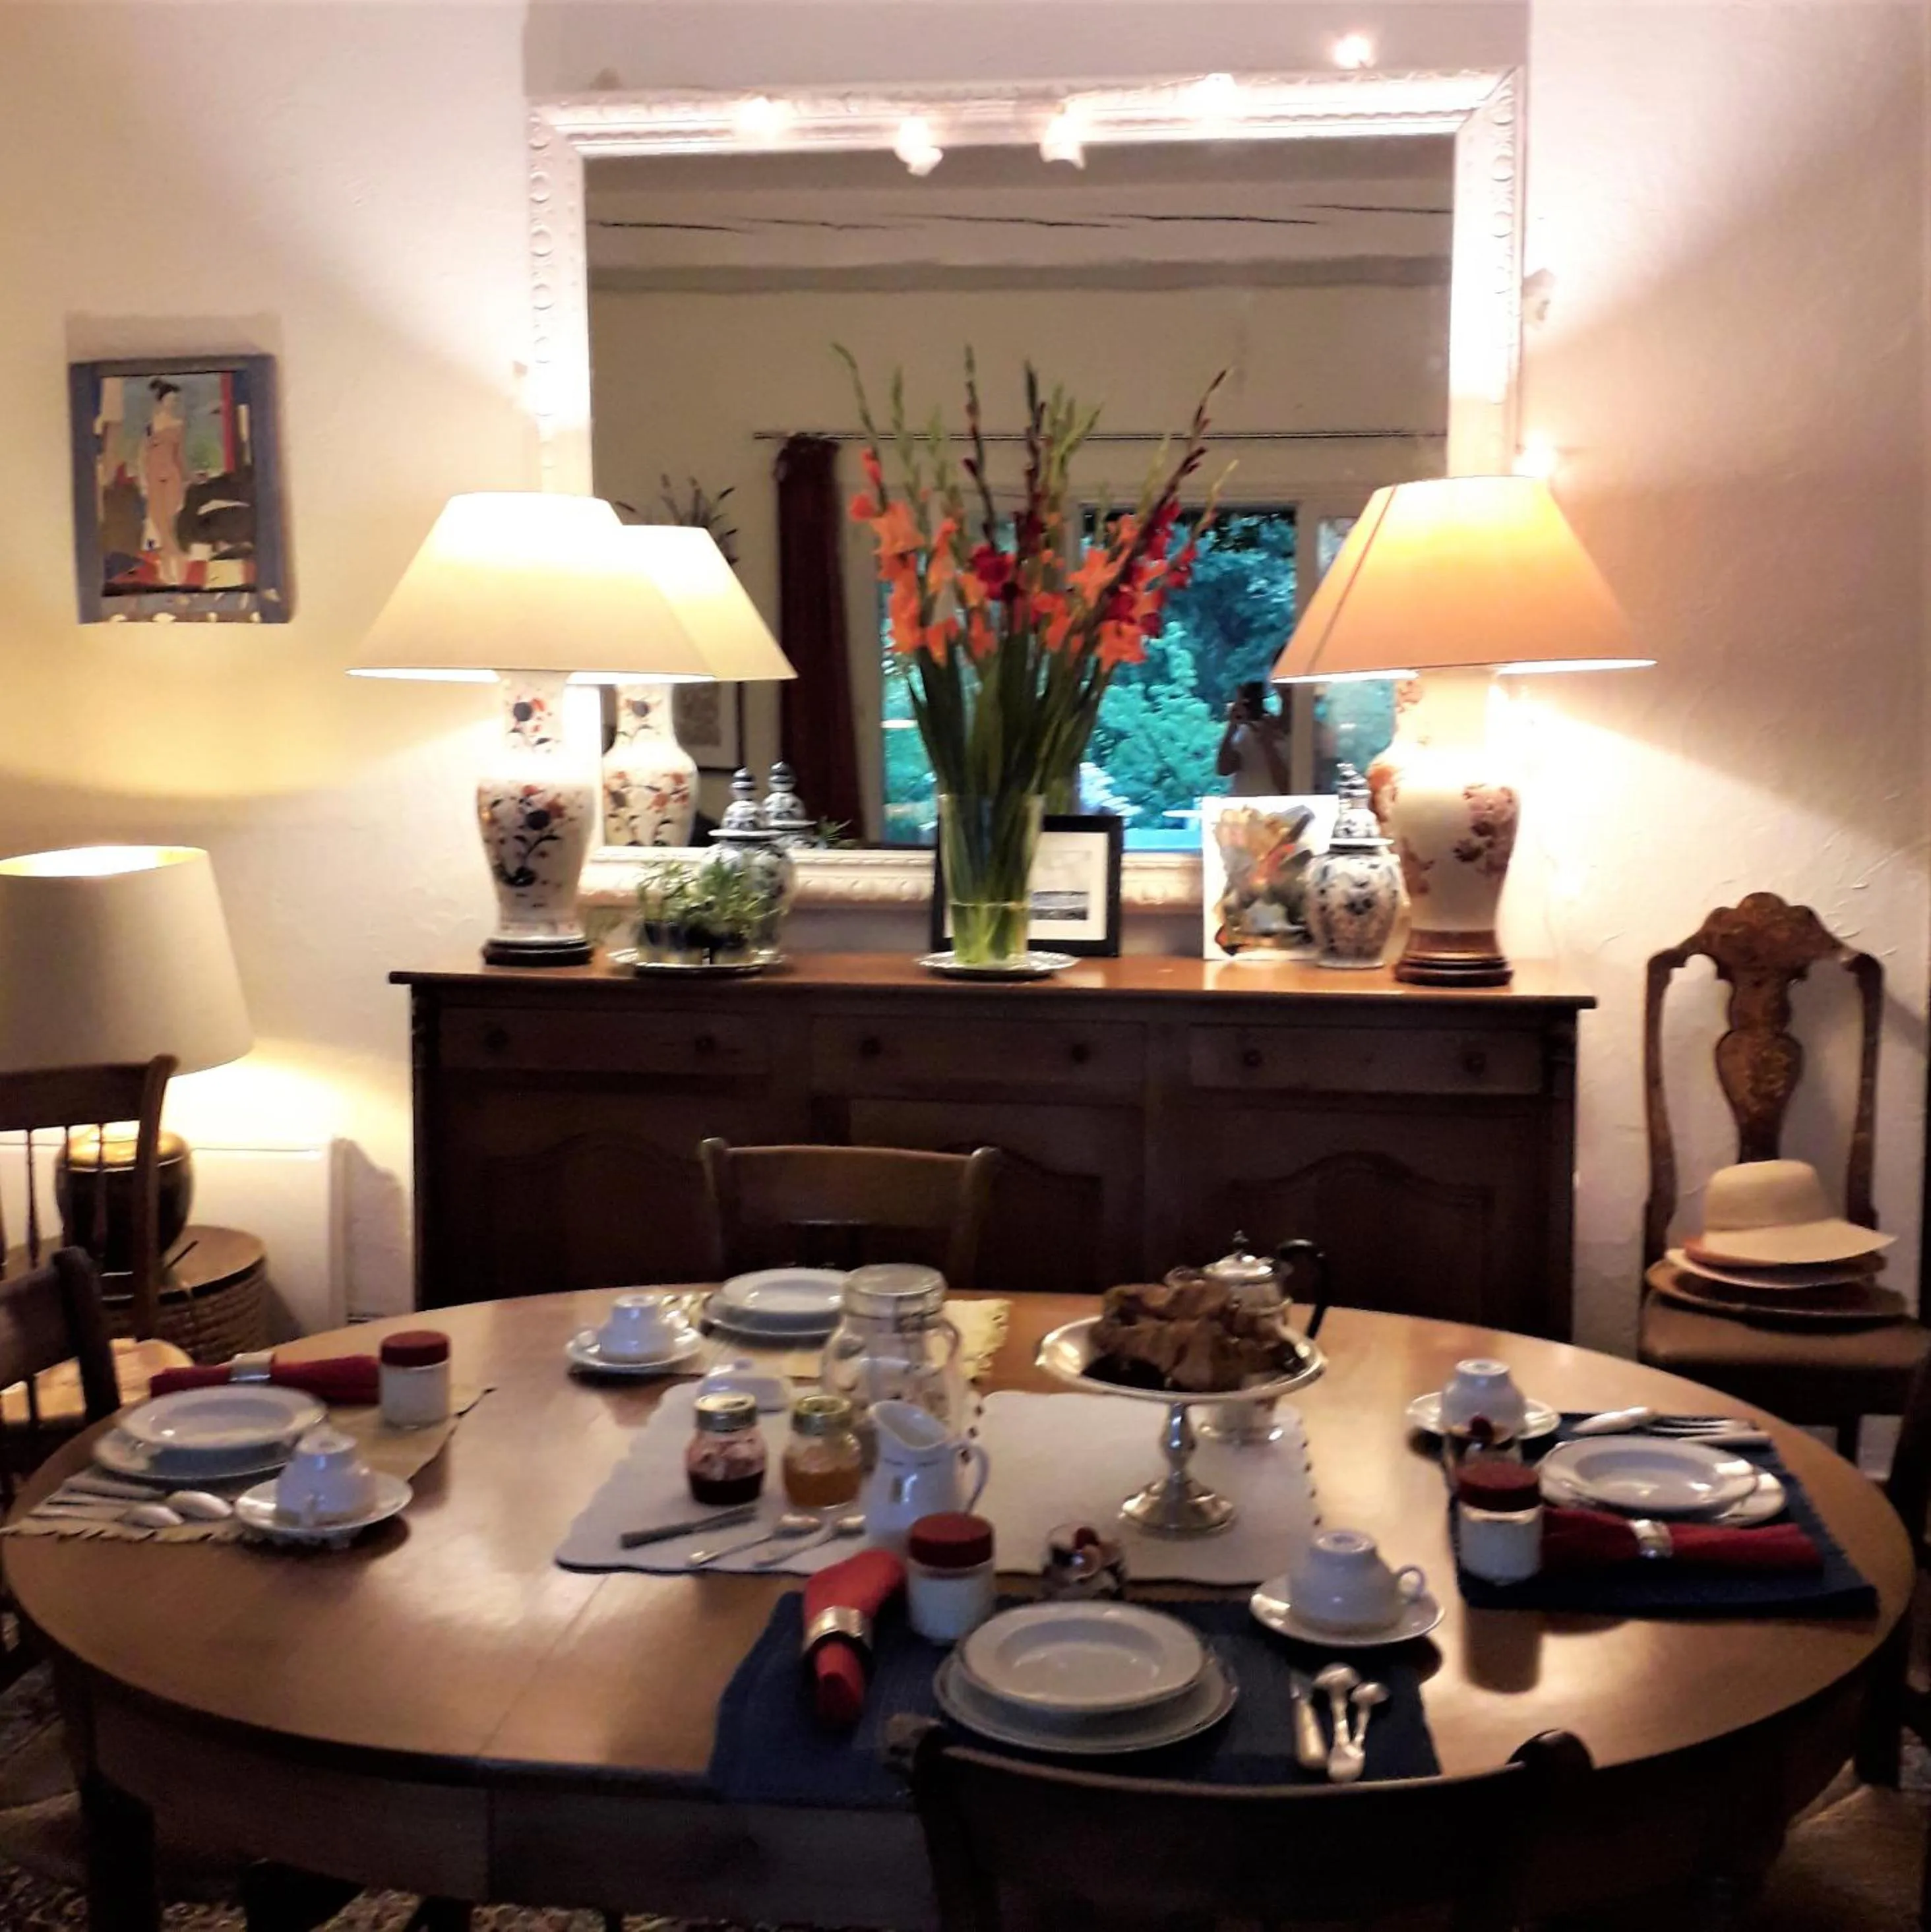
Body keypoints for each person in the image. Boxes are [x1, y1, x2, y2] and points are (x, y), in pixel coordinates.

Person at [139, 378, 189, 586]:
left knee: (169, 524)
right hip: (153, 476)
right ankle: (169, 571)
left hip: (171, 475)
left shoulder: (178, 425)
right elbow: (142, 454)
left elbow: (180, 455)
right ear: (160, 400)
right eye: (169, 399)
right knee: (160, 525)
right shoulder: (151, 425)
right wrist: (142, 480)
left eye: (174, 400)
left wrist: (189, 477)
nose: (171, 403)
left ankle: (178, 570)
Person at [1216, 680, 1293, 796]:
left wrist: (1268, 744)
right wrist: (1232, 726)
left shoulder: (1301, 737)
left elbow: (1288, 788)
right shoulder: (1244, 732)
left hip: (1275, 809)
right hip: (1241, 807)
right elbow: (1224, 769)